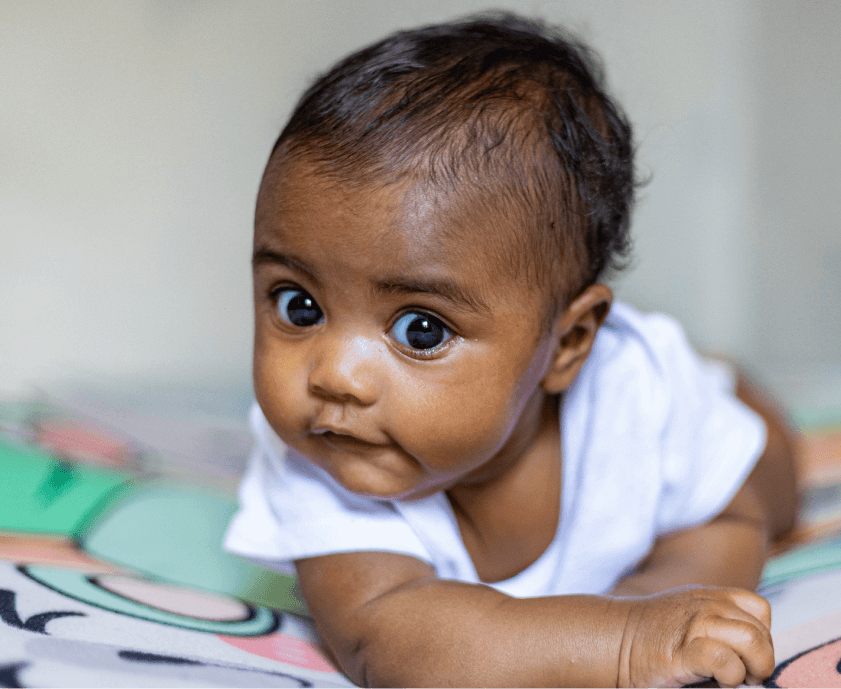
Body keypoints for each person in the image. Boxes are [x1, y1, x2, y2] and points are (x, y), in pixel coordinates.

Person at [224, 12, 798, 688]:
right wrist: (620, 641)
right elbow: (391, 639)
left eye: (421, 330)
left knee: (776, 487)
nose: (336, 375)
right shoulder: (320, 460)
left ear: (568, 344)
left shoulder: (637, 396)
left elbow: (729, 520)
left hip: (681, 392)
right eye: (299, 305)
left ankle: (726, 377)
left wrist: (653, 604)